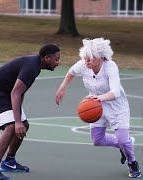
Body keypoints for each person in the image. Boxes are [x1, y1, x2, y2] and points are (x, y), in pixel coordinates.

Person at [55, 38, 141, 178]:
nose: (87, 61)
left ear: (101, 57)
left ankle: (132, 162)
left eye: (90, 58)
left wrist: (99, 98)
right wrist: (62, 88)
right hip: (97, 105)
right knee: (97, 140)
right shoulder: (83, 64)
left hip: (116, 106)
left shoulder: (110, 67)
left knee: (123, 139)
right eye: (85, 58)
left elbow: (115, 92)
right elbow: (71, 72)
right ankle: (124, 144)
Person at [0, 44, 61, 180]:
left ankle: (9, 162)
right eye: (56, 59)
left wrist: (20, 118)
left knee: (24, 125)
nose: (58, 62)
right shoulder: (31, 68)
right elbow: (16, 92)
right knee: (11, 127)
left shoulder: (36, 66)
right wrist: (16, 121)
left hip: (5, 92)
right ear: (47, 58)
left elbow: (20, 92)